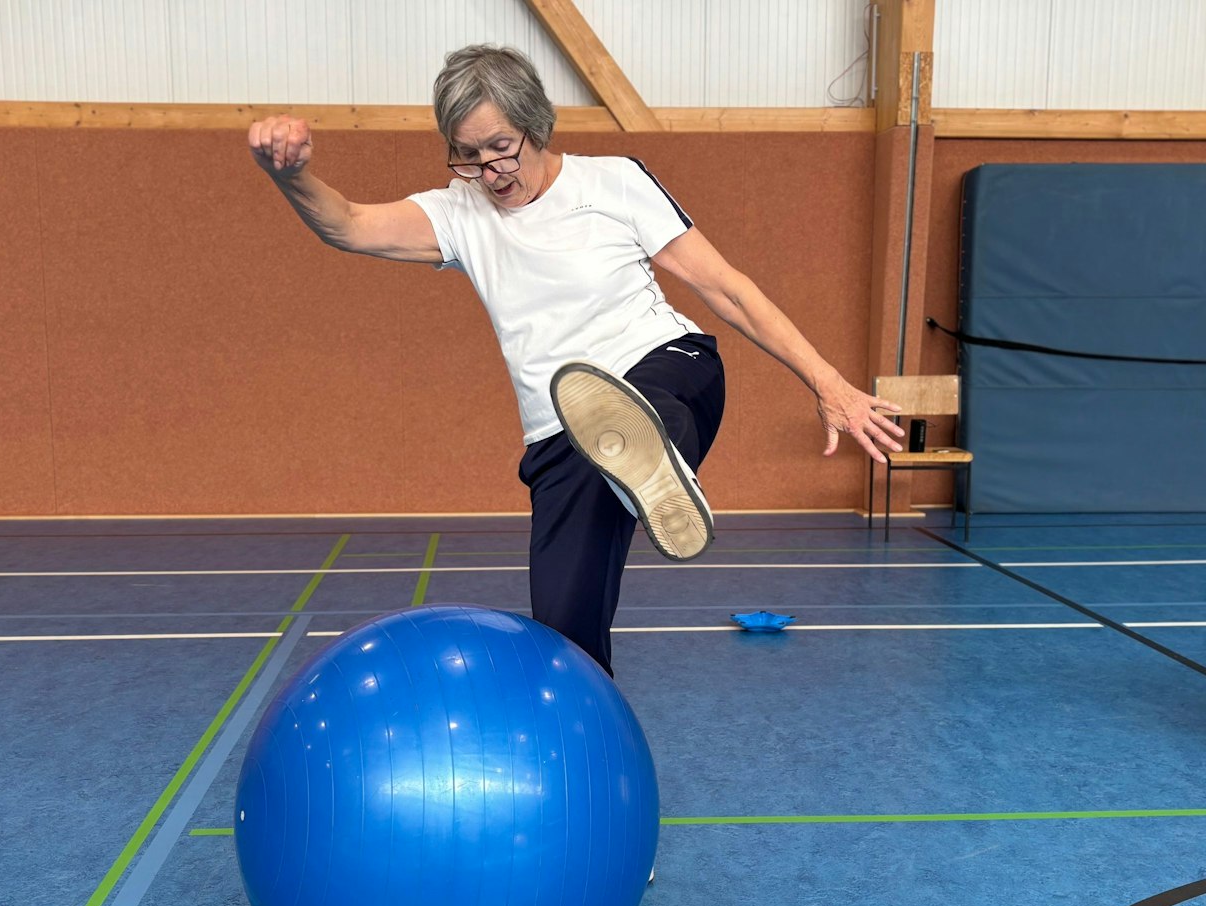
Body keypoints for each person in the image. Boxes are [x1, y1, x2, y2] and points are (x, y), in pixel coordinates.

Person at [249, 45, 903, 677]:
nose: (490, 170)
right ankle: (587, 754)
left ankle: (656, 460)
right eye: (469, 156)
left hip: (667, 364)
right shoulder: (458, 213)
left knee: (649, 401)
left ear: (536, 125)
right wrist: (291, 174)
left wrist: (828, 382)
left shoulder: (613, 180)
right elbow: (349, 224)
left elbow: (726, 288)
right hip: (562, 439)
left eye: (501, 146)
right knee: (565, 638)